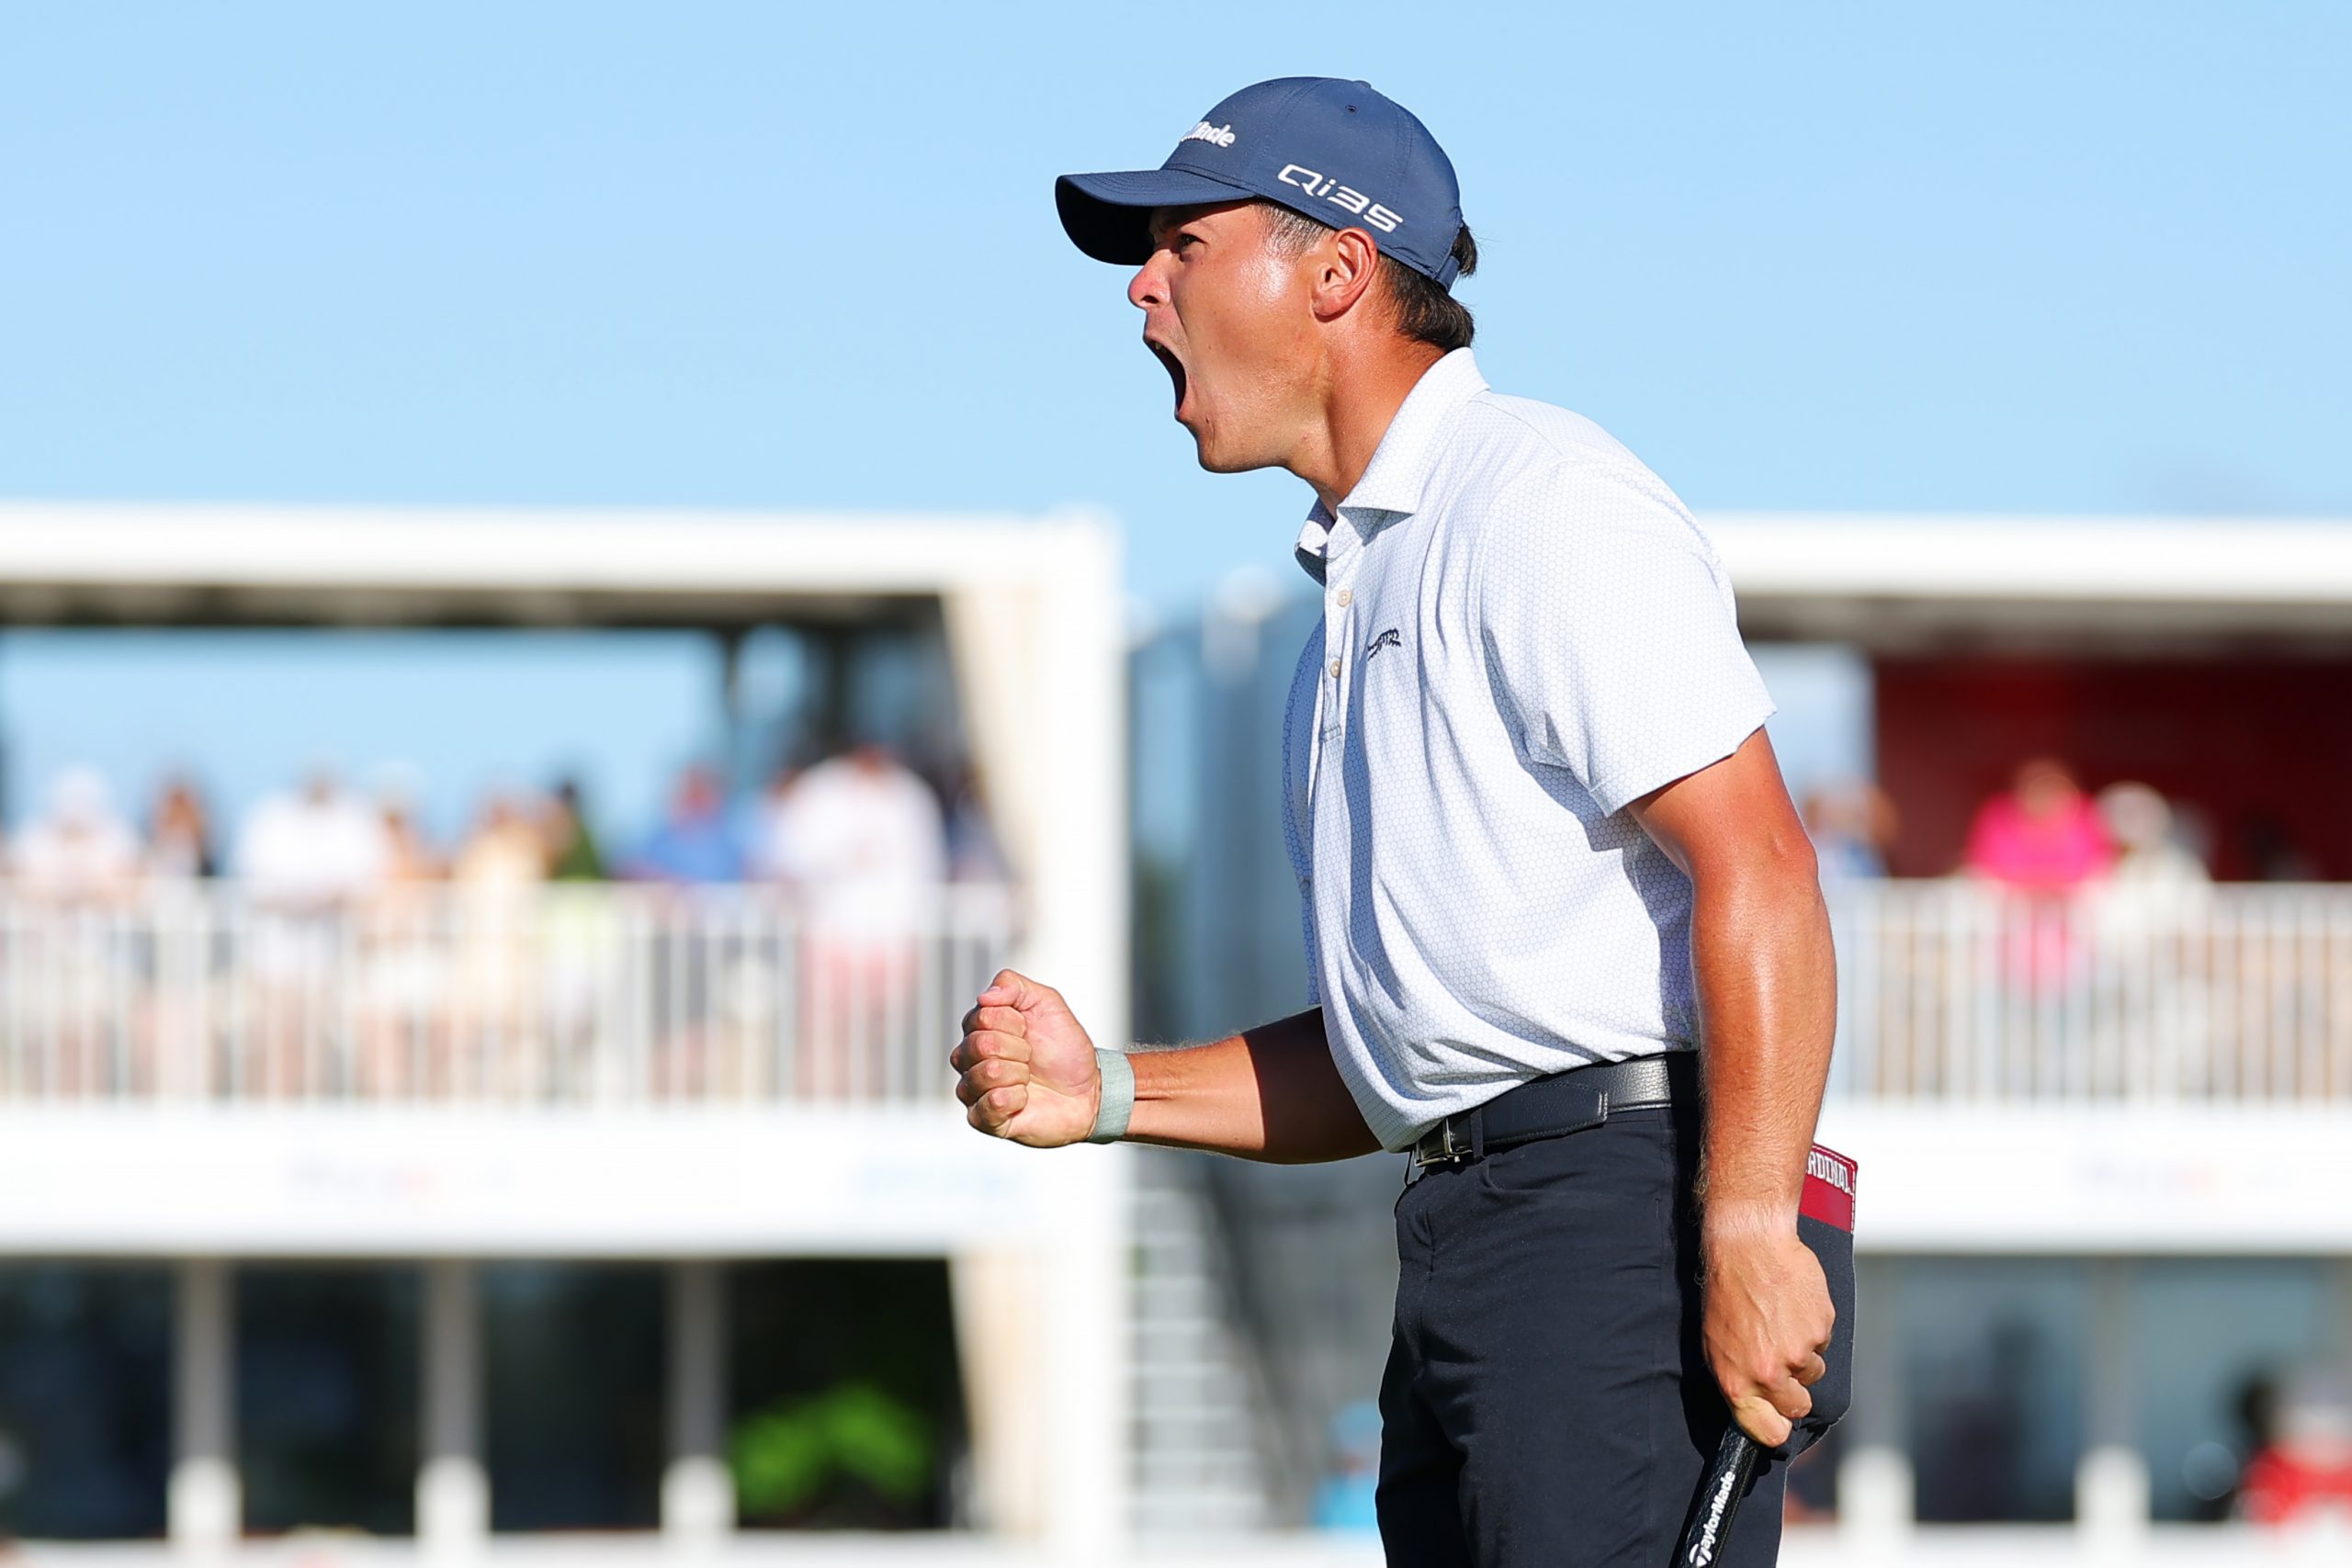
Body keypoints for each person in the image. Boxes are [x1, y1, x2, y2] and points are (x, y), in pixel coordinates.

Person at [955, 80, 1835, 1567]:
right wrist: (1101, 1090)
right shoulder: (1348, 615)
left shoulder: (1539, 504)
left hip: (1619, 1230)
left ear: (1338, 271)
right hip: (1470, 1243)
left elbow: (1763, 866)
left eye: (1181, 239)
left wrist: (1750, 1224)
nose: (1140, 284)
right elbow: (1394, 1066)